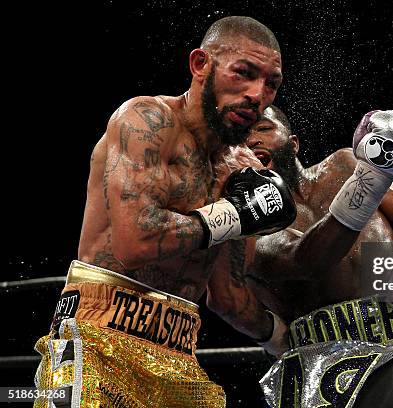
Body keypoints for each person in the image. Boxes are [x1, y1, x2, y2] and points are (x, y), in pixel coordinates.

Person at [33, 17, 297, 408]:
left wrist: (287, 340)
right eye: (244, 73)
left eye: (270, 83)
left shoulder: (236, 167)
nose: (257, 94)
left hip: (179, 351)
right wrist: (231, 215)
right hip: (97, 339)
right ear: (200, 65)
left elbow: (227, 292)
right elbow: (134, 241)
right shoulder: (146, 121)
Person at [207, 106, 393, 407]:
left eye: (262, 128)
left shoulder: (344, 164)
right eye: (239, 138)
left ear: (293, 142)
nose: (250, 141)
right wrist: (373, 176)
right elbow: (302, 259)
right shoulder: (247, 222)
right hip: (311, 371)